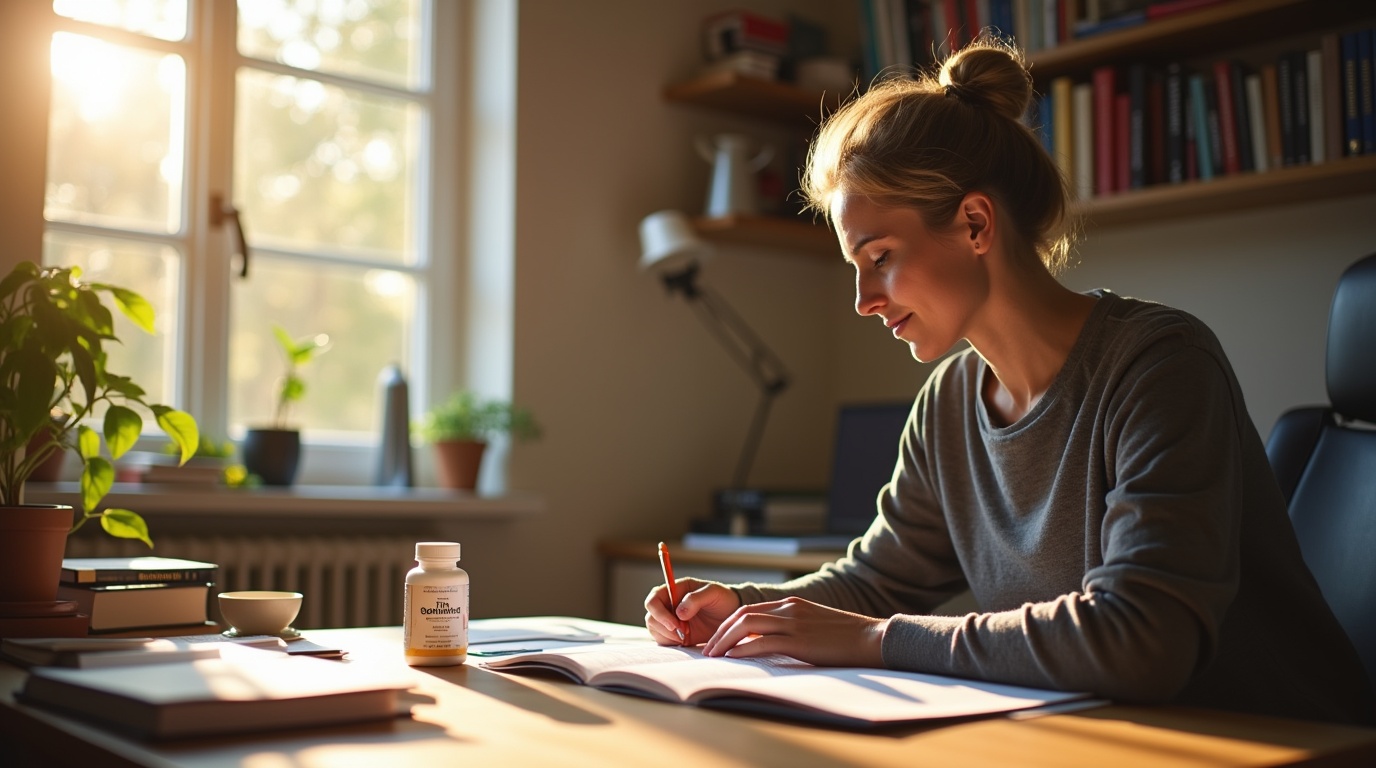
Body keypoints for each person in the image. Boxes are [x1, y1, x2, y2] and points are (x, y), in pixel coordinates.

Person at [645, 36, 1375, 726]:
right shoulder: (950, 404)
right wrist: (739, 607)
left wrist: (872, 641)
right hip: (1111, 738)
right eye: (854, 268)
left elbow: (1143, 637)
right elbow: (874, 582)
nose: (864, 300)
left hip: (1279, 740)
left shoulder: (1160, 366)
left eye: (880, 257)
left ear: (973, 223)